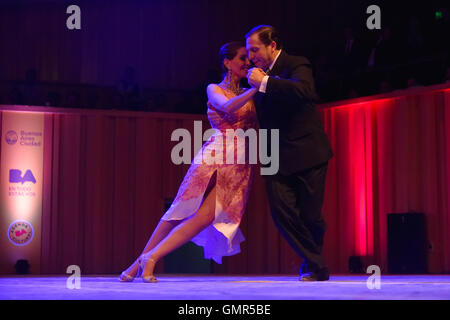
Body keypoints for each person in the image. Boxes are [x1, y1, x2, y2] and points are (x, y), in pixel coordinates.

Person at [119, 42, 258, 282]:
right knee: (179, 211)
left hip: (240, 160)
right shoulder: (214, 88)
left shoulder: (247, 92)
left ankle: (146, 259)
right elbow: (226, 106)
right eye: (242, 58)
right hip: (216, 152)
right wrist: (256, 88)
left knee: (206, 217)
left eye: (248, 58)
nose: (247, 62)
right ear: (227, 63)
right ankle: (138, 263)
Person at [245, 25, 333, 281]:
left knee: (311, 217)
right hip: (274, 152)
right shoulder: (254, 75)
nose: (252, 55)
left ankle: (313, 264)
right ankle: (317, 264)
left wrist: (266, 82)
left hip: (307, 151)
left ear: (272, 46)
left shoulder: (296, 63)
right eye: (249, 51)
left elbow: (305, 91)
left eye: (255, 49)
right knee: (280, 212)